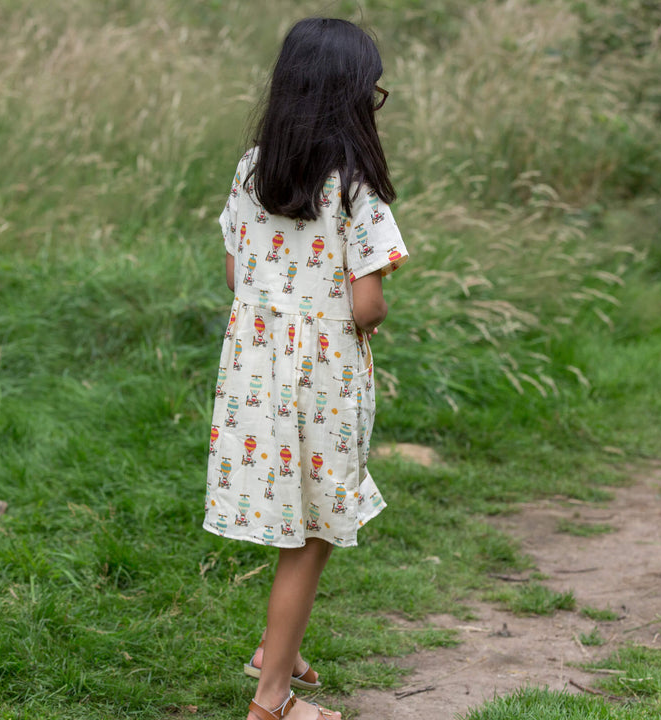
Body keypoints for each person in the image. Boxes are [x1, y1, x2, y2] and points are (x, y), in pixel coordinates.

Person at [203, 17, 408, 720]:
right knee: (314, 532)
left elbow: (237, 274)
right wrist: (360, 314)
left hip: (253, 378)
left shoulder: (253, 169)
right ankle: (272, 701)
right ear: (352, 97)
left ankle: (275, 650)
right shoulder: (355, 188)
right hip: (325, 383)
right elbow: (367, 304)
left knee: (301, 518)